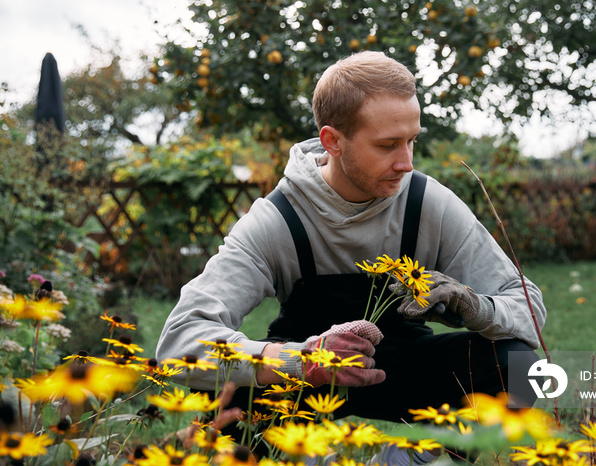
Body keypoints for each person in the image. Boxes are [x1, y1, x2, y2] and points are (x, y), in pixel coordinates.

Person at [156, 51, 546, 464]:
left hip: (404, 374)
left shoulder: (429, 204)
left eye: (412, 140)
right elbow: (179, 341)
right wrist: (301, 360)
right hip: (305, 386)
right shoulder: (276, 221)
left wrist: (473, 305)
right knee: (225, 387)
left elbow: (529, 310)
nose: (406, 162)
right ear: (333, 141)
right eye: (387, 145)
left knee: (522, 368)